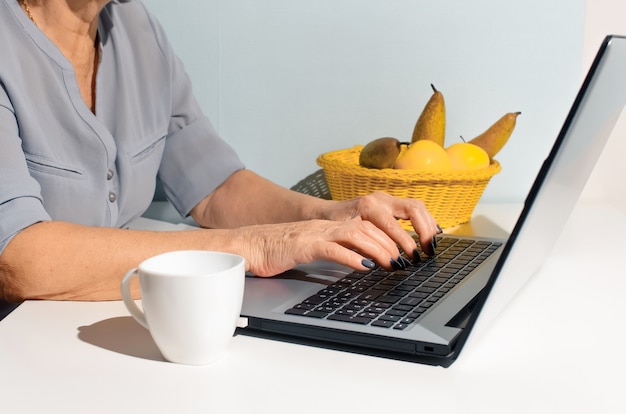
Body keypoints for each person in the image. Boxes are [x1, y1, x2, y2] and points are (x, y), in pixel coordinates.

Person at [0, 0, 440, 302]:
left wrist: (327, 217)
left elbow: (213, 185)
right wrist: (252, 248)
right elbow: (19, 260)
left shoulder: (136, 27)